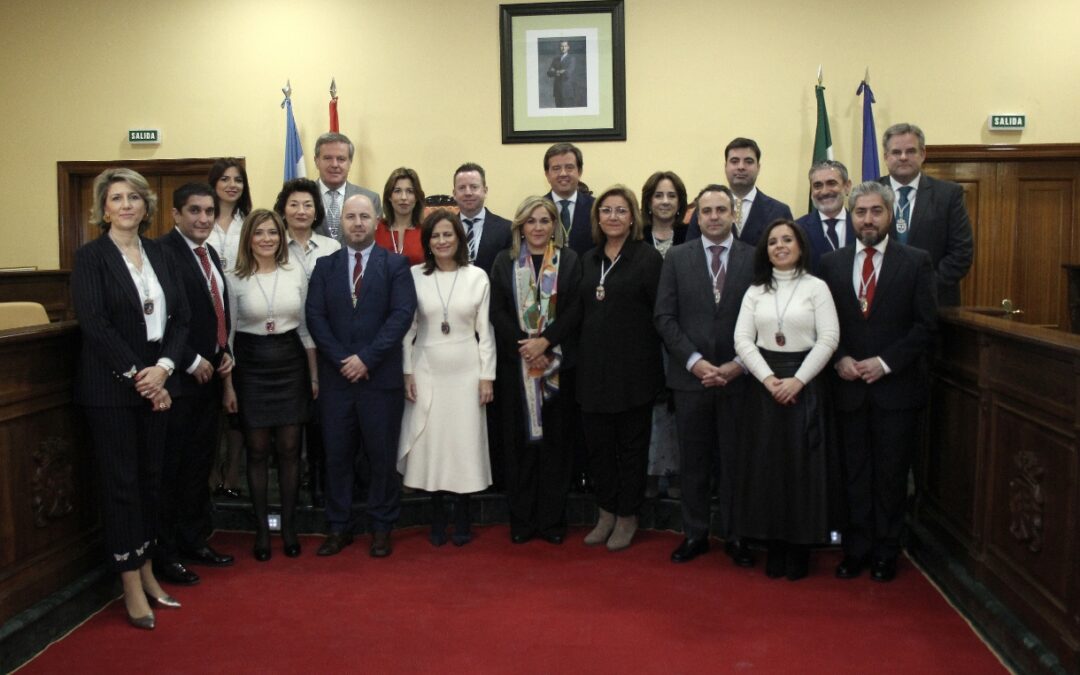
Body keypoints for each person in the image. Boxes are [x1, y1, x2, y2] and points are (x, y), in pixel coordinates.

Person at [72, 168, 189, 629]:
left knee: (151, 480)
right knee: (122, 486)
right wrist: (138, 376)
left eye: (133, 198)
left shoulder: (161, 253)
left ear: (146, 207)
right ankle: (129, 581)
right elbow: (95, 324)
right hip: (111, 390)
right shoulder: (91, 258)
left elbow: (180, 320)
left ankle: (146, 566)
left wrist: (163, 370)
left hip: (158, 382)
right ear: (103, 209)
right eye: (116, 198)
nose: (125, 205)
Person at [819, 182, 937, 582]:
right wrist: (839, 359)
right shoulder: (831, 263)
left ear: (890, 215)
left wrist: (885, 363)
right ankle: (856, 549)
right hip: (847, 388)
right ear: (850, 217)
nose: (867, 220)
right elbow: (822, 325)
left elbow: (926, 326)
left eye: (875, 211)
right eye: (860, 212)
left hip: (895, 390)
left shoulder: (916, 261)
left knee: (889, 475)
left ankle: (887, 550)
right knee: (853, 473)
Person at [306, 194, 417, 558]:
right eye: (351, 217)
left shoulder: (396, 265)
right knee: (336, 456)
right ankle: (339, 527)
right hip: (337, 380)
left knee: (381, 457)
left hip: (379, 379)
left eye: (364, 217)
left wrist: (366, 358)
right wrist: (343, 360)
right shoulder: (325, 266)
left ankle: (382, 526)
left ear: (376, 221)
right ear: (343, 223)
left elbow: (401, 315)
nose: (357, 223)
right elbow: (316, 318)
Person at [733, 219, 841, 580]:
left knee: (802, 470)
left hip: (804, 383)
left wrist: (797, 381)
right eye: (773, 241)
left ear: (800, 246)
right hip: (764, 388)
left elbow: (828, 339)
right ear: (765, 249)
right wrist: (768, 380)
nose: (780, 246)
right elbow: (743, 341)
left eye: (787, 240)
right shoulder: (755, 291)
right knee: (768, 469)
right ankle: (773, 544)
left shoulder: (817, 287)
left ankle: (800, 547)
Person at [654, 184, 756, 567]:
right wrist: (695, 360)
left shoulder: (753, 257)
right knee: (693, 464)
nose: (714, 217)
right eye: (706, 211)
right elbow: (664, 317)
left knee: (735, 463)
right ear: (696, 217)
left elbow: (763, 317)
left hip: (739, 376)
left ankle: (737, 536)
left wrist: (738, 364)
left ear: (734, 214)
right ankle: (694, 534)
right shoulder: (677, 258)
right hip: (690, 378)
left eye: (721, 210)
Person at [222, 209, 317, 561]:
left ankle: (289, 526)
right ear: (248, 237)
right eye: (259, 232)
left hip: (291, 362)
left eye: (273, 233)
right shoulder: (232, 278)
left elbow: (306, 329)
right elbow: (227, 338)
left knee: (291, 449)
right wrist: (228, 386)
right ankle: (262, 530)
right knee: (258, 450)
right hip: (251, 365)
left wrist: (313, 376)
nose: (266, 238)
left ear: (281, 237)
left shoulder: (296, 272)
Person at [397, 209, 496, 546]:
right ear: (427, 242)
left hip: (467, 371)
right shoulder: (413, 276)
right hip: (426, 367)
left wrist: (487, 377)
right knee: (432, 443)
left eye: (448, 235)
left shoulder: (477, 276)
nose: (442, 241)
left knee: (463, 443)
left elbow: (486, 331)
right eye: (435, 236)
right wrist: (407, 371)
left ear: (459, 239)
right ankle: (437, 516)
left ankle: (464, 516)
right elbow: (406, 329)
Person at [155, 183, 235, 588]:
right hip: (178, 383)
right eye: (194, 211)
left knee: (197, 469)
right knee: (171, 472)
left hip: (209, 382)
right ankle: (166, 555)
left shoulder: (210, 254)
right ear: (175, 214)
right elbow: (161, 320)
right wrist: (190, 359)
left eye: (208, 211)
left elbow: (216, 313)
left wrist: (224, 351)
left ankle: (193, 541)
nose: (203, 218)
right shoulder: (162, 254)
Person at [490, 196, 583, 544]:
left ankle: (552, 522)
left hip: (558, 367)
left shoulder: (569, 261)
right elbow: (497, 311)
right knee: (521, 448)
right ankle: (523, 521)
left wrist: (545, 343)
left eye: (545, 220)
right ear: (520, 226)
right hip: (517, 369)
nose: (538, 227)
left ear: (554, 225)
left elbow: (575, 309)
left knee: (555, 448)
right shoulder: (505, 261)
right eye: (531, 221)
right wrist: (526, 347)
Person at [578, 185, 664, 551]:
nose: (613, 217)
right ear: (597, 217)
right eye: (606, 211)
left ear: (633, 218)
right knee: (599, 449)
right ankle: (606, 512)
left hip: (634, 374)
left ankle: (628, 515)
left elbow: (660, 315)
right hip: (592, 374)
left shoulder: (647, 259)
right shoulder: (587, 259)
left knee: (631, 448)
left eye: (620, 211)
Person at [275, 178, 341, 506]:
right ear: (283, 210)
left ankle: (317, 480)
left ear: (316, 211)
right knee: (287, 421)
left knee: (319, 417)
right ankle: (290, 482)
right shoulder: (271, 244)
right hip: (283, 345)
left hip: (324, 343)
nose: (301, 211)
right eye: (294, 205)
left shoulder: (331, 248)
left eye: (308, 205)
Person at [878, 123, 974, 306]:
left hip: (934, 304)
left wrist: (924, 286)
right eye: (896, 152)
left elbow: (961, 253)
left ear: (923, 154)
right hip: (882, 303)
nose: (903, 157)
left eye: (911, 151)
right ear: (886, 157)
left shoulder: (948, 195)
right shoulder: (869, 194)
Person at [641, 171, 689, 500]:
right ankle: (648, 473)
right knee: (649, 407)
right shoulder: (636, 238)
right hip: (642, 337)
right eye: (659, 195)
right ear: (648, 201)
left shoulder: (691, 235)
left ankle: (675, 474)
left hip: (681, 335)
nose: (665, 201)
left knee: (676, 408)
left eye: (671, 195)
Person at [206, 158, 251, 501]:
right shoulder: (202, 219)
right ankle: (209, 473)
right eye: (225, 179)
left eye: (238, 179)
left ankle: (233, 472)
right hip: (206, 317)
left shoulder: (249, 222)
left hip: (242, 314)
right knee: (209, 406)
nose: (232, 185)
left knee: (237, 403)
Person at [687, 138, 793, 245]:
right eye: (734, 161)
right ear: (725, 167)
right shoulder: (704, 210)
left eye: (748, 161)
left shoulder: (779, 212)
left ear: (758, 167)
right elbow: (691, 252)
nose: (741, 167)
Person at [313, 132, 382, 242]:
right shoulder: (303, 197)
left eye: (341, 159)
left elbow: (375, 242)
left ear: (350, 162)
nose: (334, 164)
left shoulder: (370, 199)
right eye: (327, 158)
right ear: (316, 161)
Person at [452, 162, 512, 275]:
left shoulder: (506, 229)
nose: (468, 193)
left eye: (474, 187)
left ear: (485, 191)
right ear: (454, 193)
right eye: (462, 188)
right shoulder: (445, 230)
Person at [796, 160, 855, 274]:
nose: (824, 191)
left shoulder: (862, 226)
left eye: (831, 183)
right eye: (817, 186)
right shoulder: (797, 229)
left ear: (847, 186)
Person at [544, 142, 595, 255]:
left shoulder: (596, 207)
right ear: (547, 174)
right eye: (556, 168)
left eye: (569, 167)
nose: (563, 173)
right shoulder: (536, 208)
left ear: (579, 171)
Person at [375, 167, 426, 265]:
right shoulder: (376, 229)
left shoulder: (426, 231)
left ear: (416, 197)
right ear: (389, 196)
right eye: (397, 191)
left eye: (410, 191)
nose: (404, 197)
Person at [546, 40, 577, 107]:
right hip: (557, 91)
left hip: (567, 91)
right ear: (560, 47)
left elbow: (568, 73)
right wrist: (559, 71)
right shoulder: (555, 59)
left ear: (568, 47)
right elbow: (549, 73)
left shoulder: (571, 59)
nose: (563, 48)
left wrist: (555, 71)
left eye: (565, 46)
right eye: (562, 46)